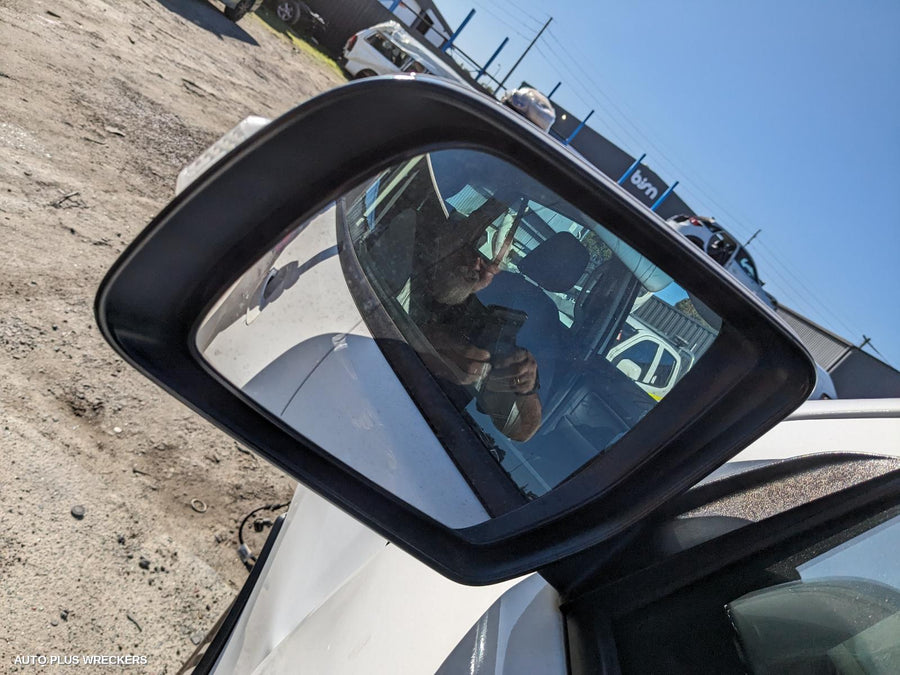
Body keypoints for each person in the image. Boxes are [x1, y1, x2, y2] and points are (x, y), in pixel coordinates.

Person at [403, 195, 543, 443]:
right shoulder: (403, 240)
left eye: (495, 265)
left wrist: (526, 386)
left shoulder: (483, 326)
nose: (481, 267)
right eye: (477, 247)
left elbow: (523, 431)